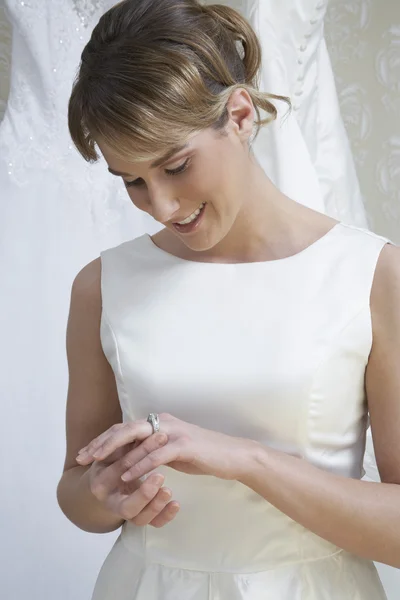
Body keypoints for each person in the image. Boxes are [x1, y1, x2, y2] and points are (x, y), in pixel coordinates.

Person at [57, 1, 400, 598]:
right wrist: (102, 494)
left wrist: (245, 460)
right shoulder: (101, 285)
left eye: (176, 166)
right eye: (132, 180)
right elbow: (76, 490)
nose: (161, 206)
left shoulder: (371, 275)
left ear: (239, 115)